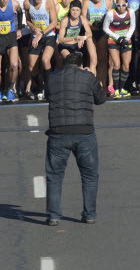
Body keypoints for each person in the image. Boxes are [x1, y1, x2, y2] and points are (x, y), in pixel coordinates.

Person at [44, 51, 107, 226]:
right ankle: (89, 214)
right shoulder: (88, 77)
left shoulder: (52, 77)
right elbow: (101, 98)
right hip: (84, 131)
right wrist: (91, 76)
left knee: (54, 176)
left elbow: (48, 96)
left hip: (58, 132)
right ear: (80, 64)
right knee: (89, 175)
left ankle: (53, 215)